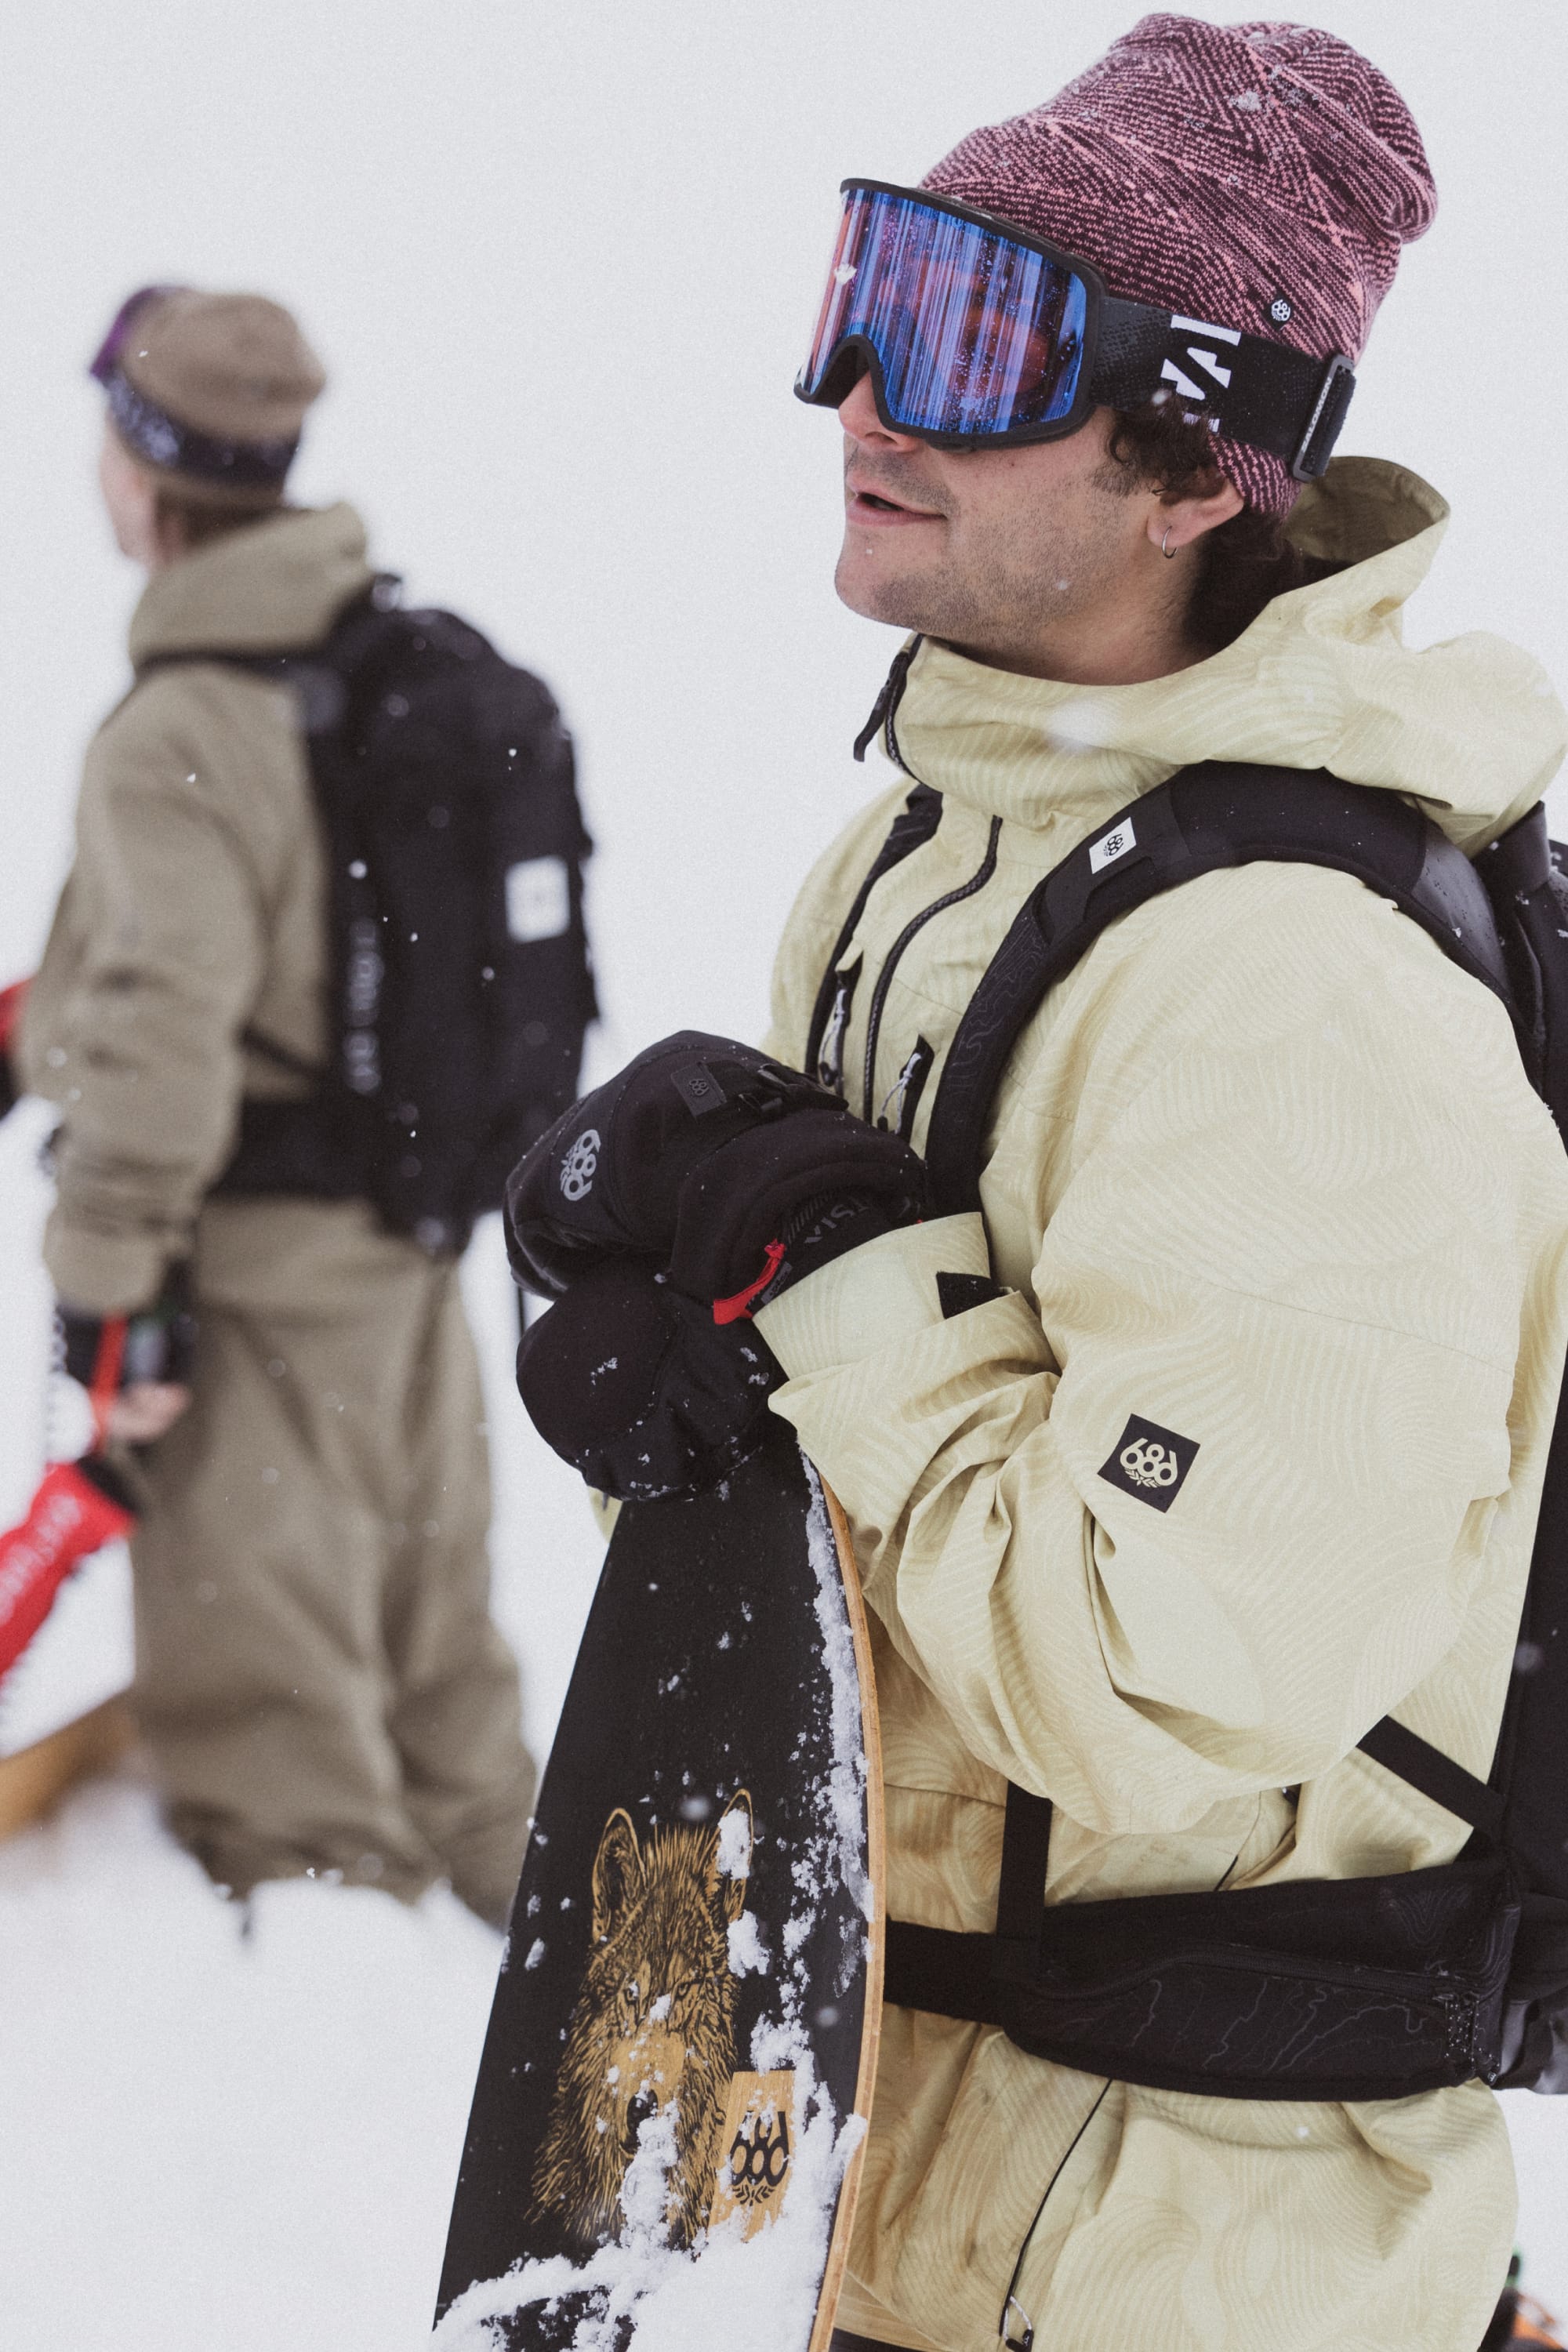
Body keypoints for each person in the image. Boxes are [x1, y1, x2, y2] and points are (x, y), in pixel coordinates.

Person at [503, 16, 1568, 2352]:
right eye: (867, 294)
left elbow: (1150, 1683)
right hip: (898, 2163)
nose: (864, 397)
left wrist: (838, 1277)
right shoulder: (924, 851)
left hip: (1153, 2252)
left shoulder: (1293, 989)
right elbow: (892, 1520)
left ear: (1197, 461)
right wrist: (682, 1396)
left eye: (972, 336)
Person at [16, 285, 539, 1926]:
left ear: (140, 465)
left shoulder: (181, 724)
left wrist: (107, 1284)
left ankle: (343, 2043)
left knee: (279, 1758)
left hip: (249, 1280)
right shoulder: (355, 670)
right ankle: (561, 1981)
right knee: (440, 1679)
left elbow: (166, 1023)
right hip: (402, 1244)